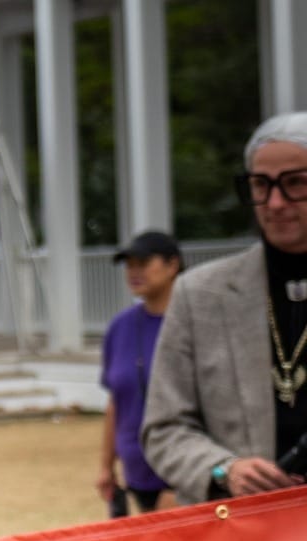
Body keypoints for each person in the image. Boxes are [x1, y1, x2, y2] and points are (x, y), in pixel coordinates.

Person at [144, 113, 307, 501]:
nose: (275, 202)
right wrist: (223, 469)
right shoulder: (199, 295)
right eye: (260, 185)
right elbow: (163, 429)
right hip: (241, 540)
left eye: (295, 183)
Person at [97, 231, 182, 516]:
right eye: (129, 265)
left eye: (143, 263)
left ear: (173, 266)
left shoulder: (192, 324)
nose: (134, 272)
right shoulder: (120, 327)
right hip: (136, 477)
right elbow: (116, 401)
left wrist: (179, 485)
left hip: (182, 476)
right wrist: (106, 467)